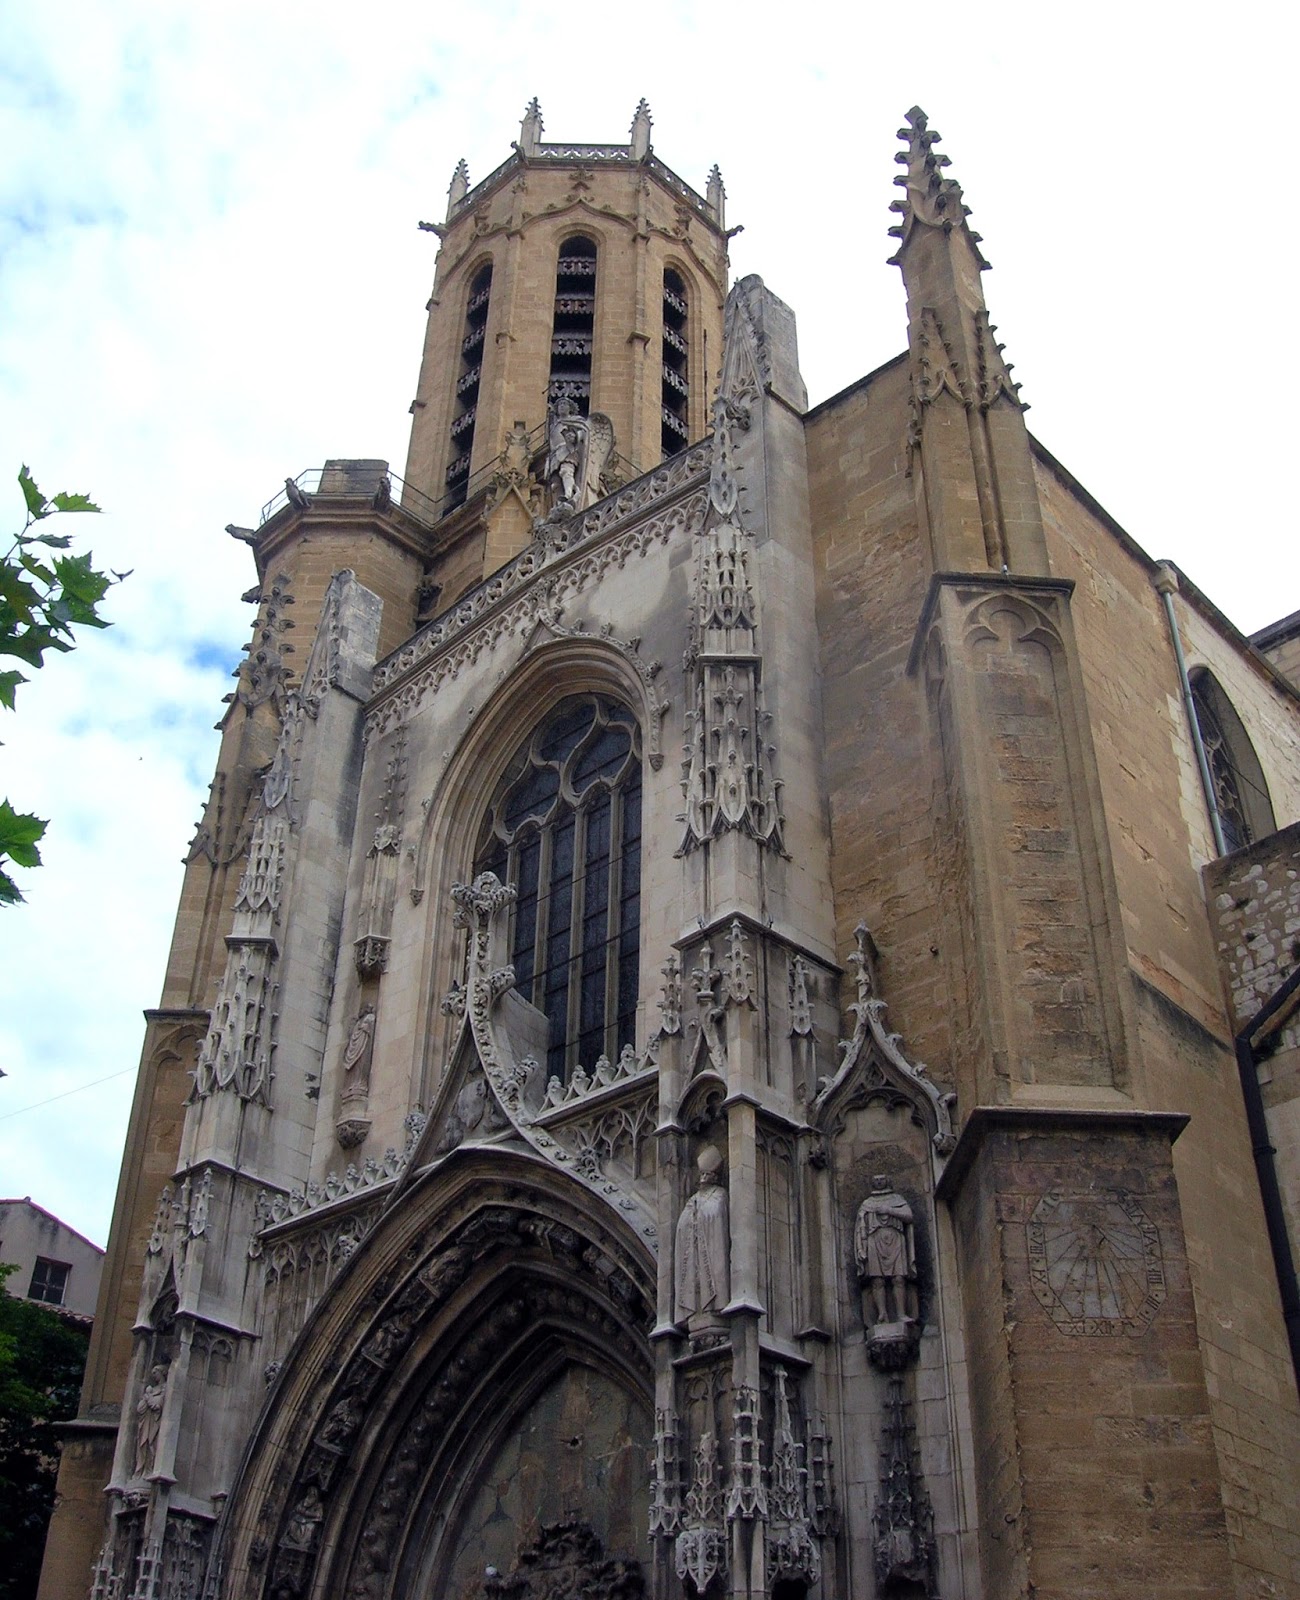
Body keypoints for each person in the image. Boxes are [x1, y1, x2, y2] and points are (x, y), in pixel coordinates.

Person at [674, 1145, 730, 1329]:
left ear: (715, 1177)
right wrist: (693, 1218)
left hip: (710, 1252)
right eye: (702, 1174)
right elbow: (682, 1224)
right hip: (693, 1255)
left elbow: (717, 1215)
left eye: (708, 1174)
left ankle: (714, 1308)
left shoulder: (720, 1195)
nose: (704, 1178)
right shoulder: (693, 1199)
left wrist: (701, 1216)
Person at [854, 1175, 917, 1327]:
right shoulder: (867, 1204)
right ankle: (882, 1314)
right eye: (875, 1179)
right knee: (877, 1280)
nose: (879, 1181)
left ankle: (901, 1313)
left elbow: (909, 1217)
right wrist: (861, 1249)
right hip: (874, 1241)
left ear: (887, 1180)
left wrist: (889, 1210)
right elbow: (860, 1229)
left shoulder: (897, 1199)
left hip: (895, 1239)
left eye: (882, 1179)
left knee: (899, 1278)